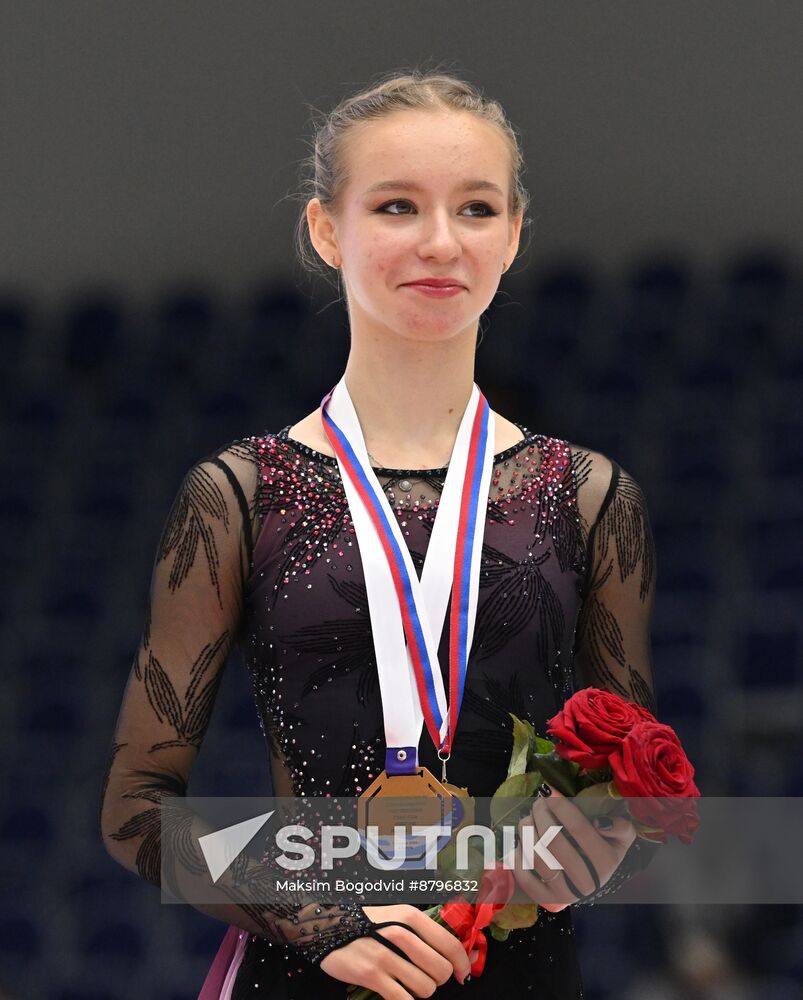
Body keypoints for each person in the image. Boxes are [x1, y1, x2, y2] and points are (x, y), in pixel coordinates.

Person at [99, 68, 659, 999]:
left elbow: (633, 783)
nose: (440, 243)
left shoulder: (587, 495)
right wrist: (315, 915)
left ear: (513, 236)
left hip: (516, 969)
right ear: (327, 230)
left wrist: (599, 843)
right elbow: (137, 812)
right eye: (396, 206)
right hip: (309, 972)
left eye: (475, 209)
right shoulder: (239, 495)